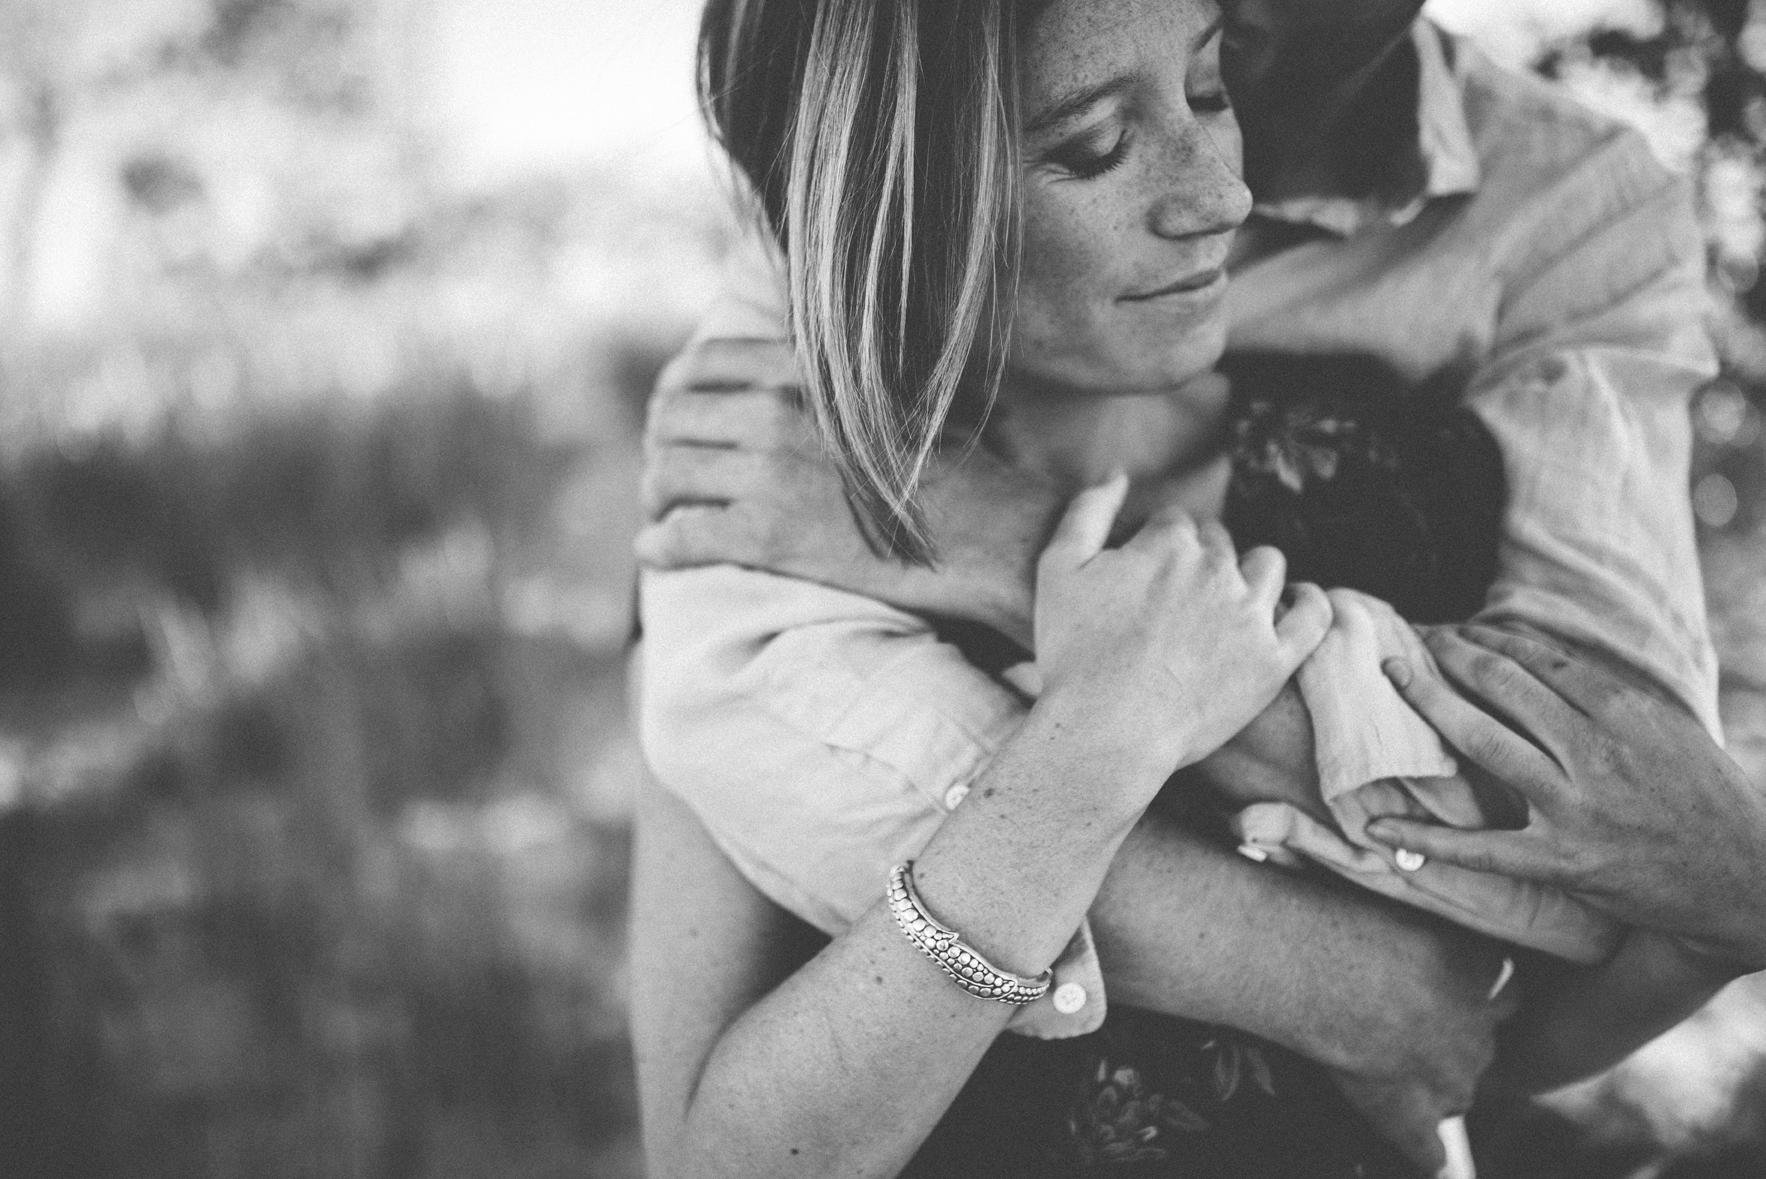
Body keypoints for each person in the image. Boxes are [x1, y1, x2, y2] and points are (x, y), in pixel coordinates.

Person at [632, 0, 1747, 1173]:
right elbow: (727, 1145)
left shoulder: (1521, 275)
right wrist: (1311, 965)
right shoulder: (794, 401)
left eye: (1206, 89)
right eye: (1088, 148)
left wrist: (1012, 555)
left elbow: (1607, 847)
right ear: (887, 227)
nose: (1224, 195)